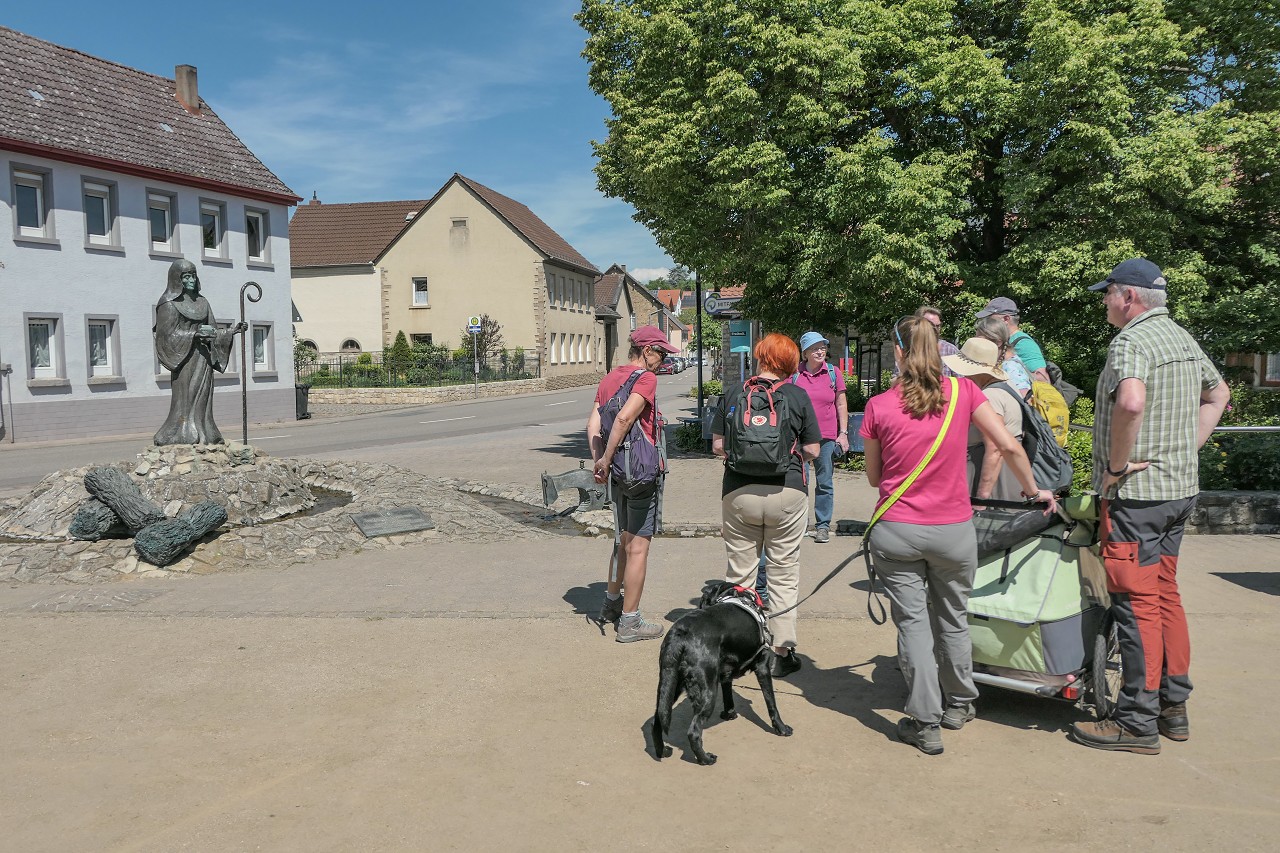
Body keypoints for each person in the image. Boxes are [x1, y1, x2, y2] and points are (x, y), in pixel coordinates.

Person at [860, 316, 1057, 755]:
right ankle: (960, 704)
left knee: (913, 624)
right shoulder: (964, 393)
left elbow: (875, 478)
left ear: (898, 352)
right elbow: (1008, 445)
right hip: (953, 530)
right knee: (953, 617)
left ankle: (925, 721)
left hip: (897, 531)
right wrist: (1033, 490)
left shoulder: (878, 406)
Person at [1070, 258, 1229, 754]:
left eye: (1108, 294)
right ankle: (1172, 708)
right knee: (1164, 596)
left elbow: (1132, 402)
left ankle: (1136, 720)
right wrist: (1187, 447)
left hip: (1137, 499)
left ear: (1129, 298)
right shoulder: (1181, 337)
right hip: (1179, 492)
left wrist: (1116, 467)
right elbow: (1219, 393)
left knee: (1135, 606)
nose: (1104, 303)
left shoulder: (1132, 342)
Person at [712, 333, 820, 677]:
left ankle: (739, 647)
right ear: (790, 364)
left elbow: (717, 445)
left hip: (739, 492)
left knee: (740, 574)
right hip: (787, 493)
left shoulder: (734, 393)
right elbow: (814, 450)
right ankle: (780, 651)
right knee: (783, 573)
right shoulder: (797, 395)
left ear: (760, 358)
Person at [588, 325, 679, 642]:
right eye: (662, 353)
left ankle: (611, 604)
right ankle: (630, 621)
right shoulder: (646, 378)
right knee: (638, 546)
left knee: (621, 540)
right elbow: (626, 419)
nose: (663, 361)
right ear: (648, 350)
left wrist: (601, 462)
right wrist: (607, 458)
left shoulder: (609, 378)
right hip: (639, 474)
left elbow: (593, 424)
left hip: (618, 474)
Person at [153, 259, 247, 446]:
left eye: (193, 275)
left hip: (203, 358)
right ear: (176, 280)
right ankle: (179, 434)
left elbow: (212, 329)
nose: (191, 280)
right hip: (184, 358)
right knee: (185, 397)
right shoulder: (168, 303)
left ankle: (205, 433)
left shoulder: (203, 302)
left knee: (204, 395)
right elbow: (166, 335)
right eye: (186, 276)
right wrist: (193, 334)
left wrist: (231, 331)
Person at [943, 338, 1026, 503]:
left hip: (996, 481)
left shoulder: (990, 396)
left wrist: (983, 497)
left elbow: (995, 448)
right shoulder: (1007, 383)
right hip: (1005, 473)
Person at [788, 331, 849, 543]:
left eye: (822, 347)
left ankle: (822, 526)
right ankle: (799, 524)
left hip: (826, 437)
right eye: (815, 348)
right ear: (805, 353)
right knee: (799, 482)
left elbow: (841, 404)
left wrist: (843, 433)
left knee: (824, 482)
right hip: (800, 438)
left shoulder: (833, 373)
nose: (820, 351)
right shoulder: (794, 375)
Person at [975, 297, 1051, 383]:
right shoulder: (1005, 339)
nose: (986, 322)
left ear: (1006, 319)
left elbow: (1044, 379)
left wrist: (1011, 373)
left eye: (990, 318)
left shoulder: (1024, 343)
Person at [974, 314, 1034, 399]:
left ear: (998, 343)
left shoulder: (1011, 367)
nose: (978, 345)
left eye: (981, 341)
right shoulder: (1000, 363)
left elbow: (1025, 401)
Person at [915, 305, 961, 376]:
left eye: (938, 326)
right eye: (931, 325)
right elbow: (897, 381)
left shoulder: (950, 350)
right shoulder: (909, 350)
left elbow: (961, 381)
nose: (936, 329)